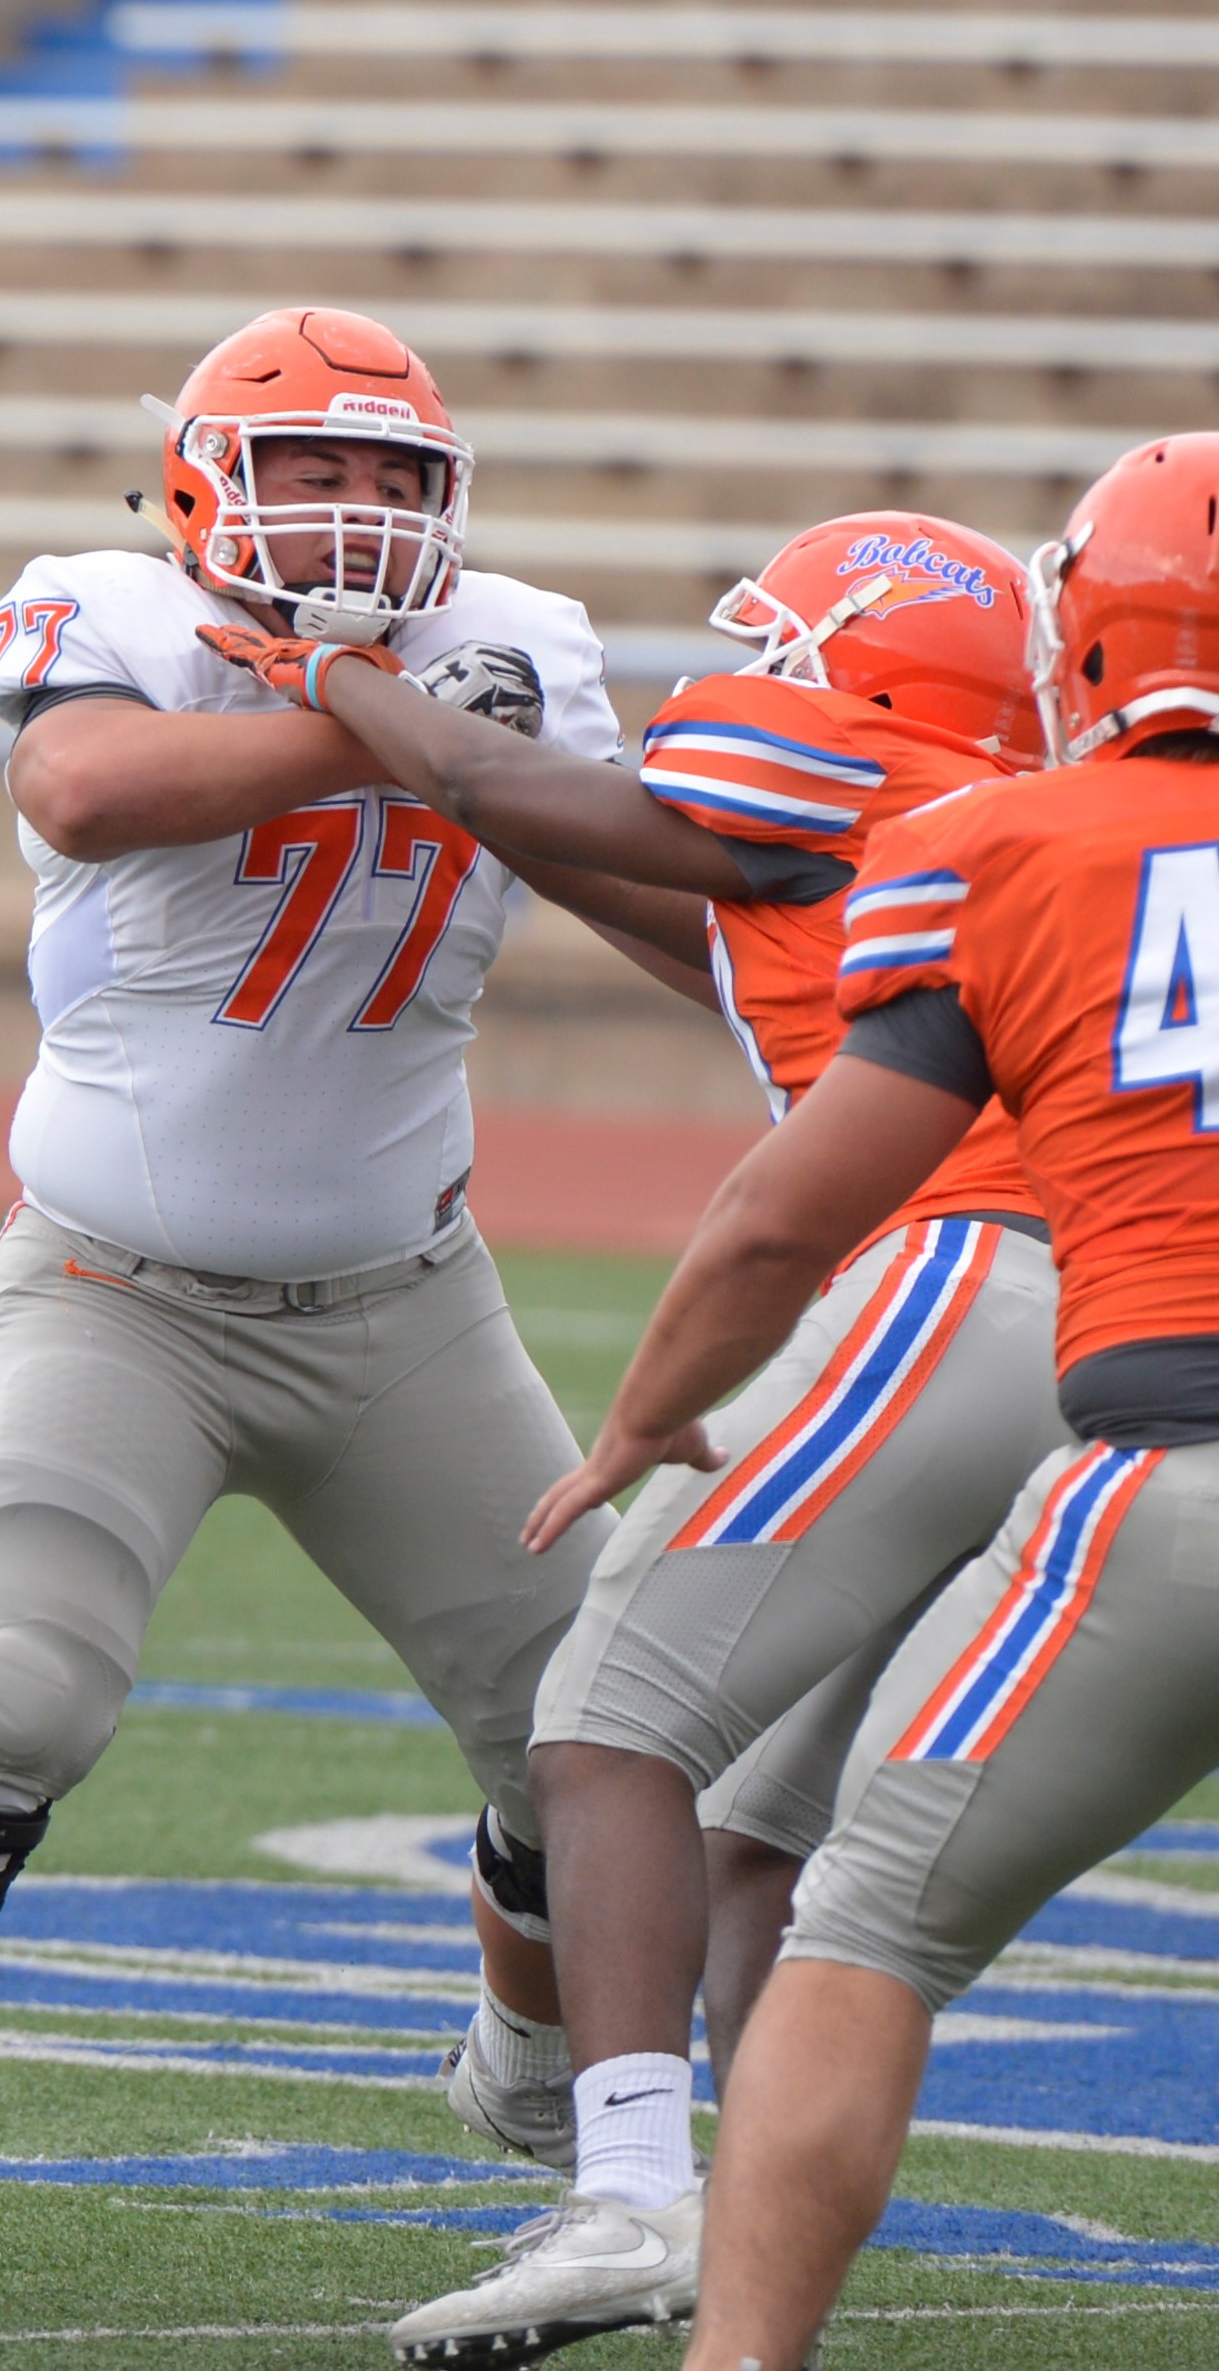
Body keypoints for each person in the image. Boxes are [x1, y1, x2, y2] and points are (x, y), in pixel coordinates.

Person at [0, 309, 620, 2306]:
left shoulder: (531, 640)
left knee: (592, 1732)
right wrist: (398, 725)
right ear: (200, 484)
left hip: (406, 1305)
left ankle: (533, 2082)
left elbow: (651, 891)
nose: (352, 511)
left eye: (390, 475)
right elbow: (86, 788)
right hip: (118, 1294)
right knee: (2, 1700)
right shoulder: (110, 609)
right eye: (309, 470)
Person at [247, 517, 1066, 2364]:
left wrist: (334, 669)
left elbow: (508, 785)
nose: (756, 672)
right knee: (753, 1830)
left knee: (600, 1726)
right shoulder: (970, 818)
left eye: (786, 646)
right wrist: (460, 784)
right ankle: (761, 2251)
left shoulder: (834, 765)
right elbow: (687, 915)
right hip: (1091, 1332)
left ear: (859, 669)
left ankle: (622, 2189)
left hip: (952, 1283)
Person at [530, 437, 1219, 2369]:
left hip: (1167, 1473)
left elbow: (777, 1217)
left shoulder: (1001, 841)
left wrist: (644, 1413)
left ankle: (721, 2324)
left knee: (863, 1932)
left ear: (1086, 632)